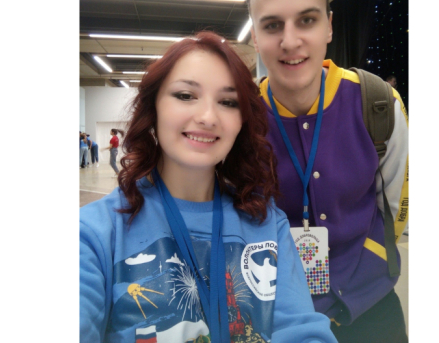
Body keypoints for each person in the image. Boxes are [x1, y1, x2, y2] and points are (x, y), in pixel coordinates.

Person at [80, 31, 337, 343]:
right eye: (185, 95)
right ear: (153, 107)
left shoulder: (268, 224)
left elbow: (304, 332)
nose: (207, 117)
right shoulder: (95, 234)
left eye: (228, 102)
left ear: (241, 122)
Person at [247, 0, 409, 342]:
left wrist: (372, 253)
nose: (290, 41)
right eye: (272, 25)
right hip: (277, 315)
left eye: (307, 20)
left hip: (371, 306)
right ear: (254, 36)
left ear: (329, 27)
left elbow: (395, 206)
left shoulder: (378, 103)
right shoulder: (240, 120)